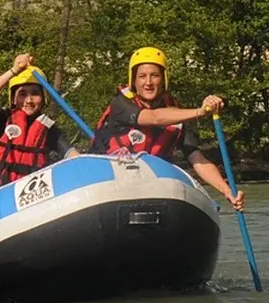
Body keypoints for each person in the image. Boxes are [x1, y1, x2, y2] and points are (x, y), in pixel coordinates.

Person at [88, 46, 244, 211]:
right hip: (108, 183)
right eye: (142, 76)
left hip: (149, 186)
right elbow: (154, 118)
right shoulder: (120, 104)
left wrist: (227, 191)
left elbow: (198, 160)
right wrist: (200, 111)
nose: (148, 82)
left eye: (154, 76)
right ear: (133, 80)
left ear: (163, 79)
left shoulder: (176, 113)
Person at [0, 54, 79, 193]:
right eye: (22, 94)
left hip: (25, 202)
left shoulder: (49, 129)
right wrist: (13, 71)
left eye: (35, 93)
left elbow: (73, 155)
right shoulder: (3, 120)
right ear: (13, 98)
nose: (29, 100)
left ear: (43, 98)